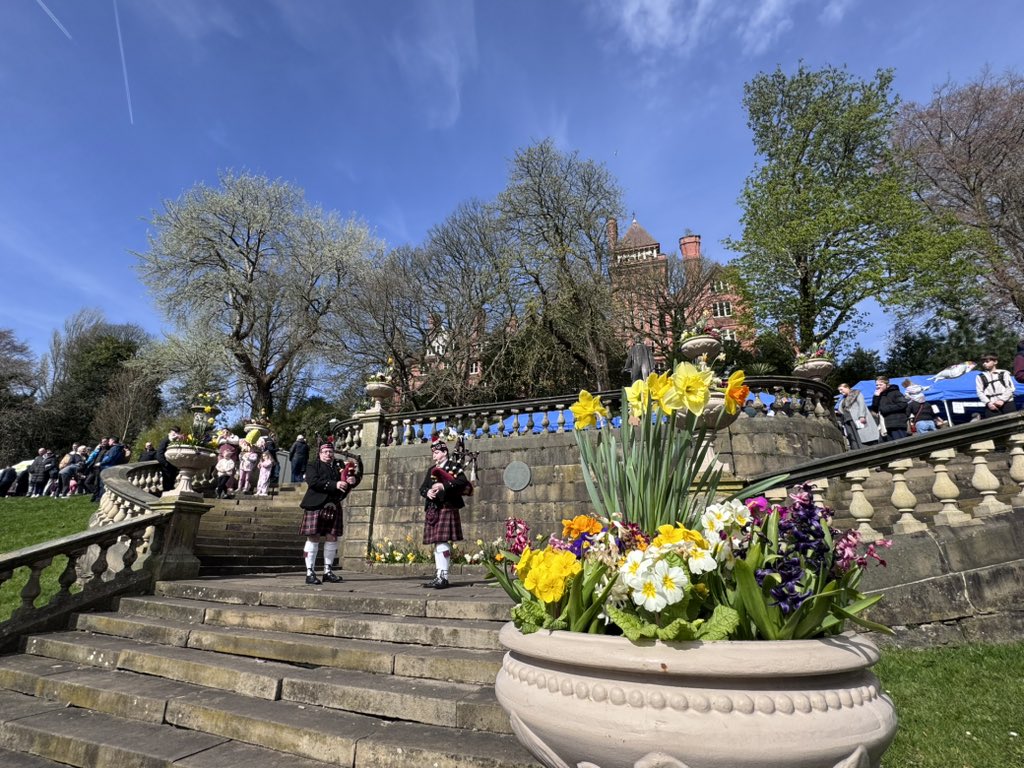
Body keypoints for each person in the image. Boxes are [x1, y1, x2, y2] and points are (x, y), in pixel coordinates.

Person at [298, 442, 357, 584]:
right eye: (325, 452)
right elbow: (313, 482)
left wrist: (353, 480)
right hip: (315, 504)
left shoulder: (338, 467)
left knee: (332, 537)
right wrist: (334, 484)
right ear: (320, 454)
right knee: (314, 537)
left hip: (333, 505)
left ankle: (328, 571)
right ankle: (309, 573)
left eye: (330, 452)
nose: (328, 454)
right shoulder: (313, 465)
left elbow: (347, 481)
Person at [419, 436, 471, 590]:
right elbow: (422, 488)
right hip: (433, 509)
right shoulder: (431, 470)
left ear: (444, 452)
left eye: (436, 452)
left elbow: (463, 483)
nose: (433, 455)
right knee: (437, 543)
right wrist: (427, 492)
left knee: (442, 542)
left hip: (447, 507)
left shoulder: (453, 467)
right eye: (433, 453)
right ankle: (439, 576)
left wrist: (444, 486)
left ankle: (443, 577)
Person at [975, 352, 1017, 418]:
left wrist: (1002, 400)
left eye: (987, 361)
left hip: (1007, 403)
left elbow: (1010, 388)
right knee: (995, 425)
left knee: (1012, 423)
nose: (984, 364)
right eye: (983, 362)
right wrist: (988, 403)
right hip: (991, 405)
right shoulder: (980, 376)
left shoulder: (1004, 373)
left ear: (995, 362)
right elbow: (979, 392)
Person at [837, 383, 878, 448]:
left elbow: (862, 404)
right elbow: (841, 410)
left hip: (857, 418)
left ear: (847, 387)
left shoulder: (857, 393)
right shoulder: (843, 400)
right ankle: (857, 448)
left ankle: (867, 447)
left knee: (862, 435)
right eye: (839, 390)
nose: (840, 392)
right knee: (854, 437)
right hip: (848, 420)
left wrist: (861, 416)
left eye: (841, 390)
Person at [871, 376, 909, 441]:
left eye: (880, 384)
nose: (878, 386)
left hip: (897, 424)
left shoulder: (895, 392)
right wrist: (876, 397)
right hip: (886, 426)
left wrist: (885, 409)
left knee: (902, 444)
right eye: (877, 385)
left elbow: (903, 404)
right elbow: (875, 409)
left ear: (887, 385)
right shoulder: (879, 395)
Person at [156, 427, 182, 493]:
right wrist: (165, 464)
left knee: (171, 483)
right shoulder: (165, 440)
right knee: (167, 484)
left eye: (177, 432)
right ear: (171, 432)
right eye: (175, 432)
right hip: (167, 466)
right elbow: (159, 453)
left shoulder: (175, 441)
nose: (176, 434)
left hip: (173, 466)